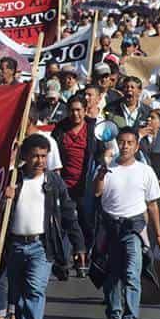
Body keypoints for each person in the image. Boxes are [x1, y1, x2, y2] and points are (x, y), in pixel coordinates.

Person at [4, 134, 85, 319]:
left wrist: (78, 244)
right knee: (18, 297)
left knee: (35, 290)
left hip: (41, 246)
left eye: (43, 156)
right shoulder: (14, 179)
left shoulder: (53, 182)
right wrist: (4, 198)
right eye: (35, 156)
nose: (40, 161)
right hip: (16, 245)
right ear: (25, 157)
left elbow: (68, 212)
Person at [94, 127, 160, 319]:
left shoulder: (145, 171)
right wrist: (100, 174)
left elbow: (152, 205)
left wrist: (159, 234)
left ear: (136, 146)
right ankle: (114, 315)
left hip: (133, 228)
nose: (125, 146)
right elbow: (97, 193)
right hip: (109, 228)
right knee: (111, 276)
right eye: (122, 142)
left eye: (129, 143)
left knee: (132, 274)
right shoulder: (108, 168)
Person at [51, 95, 98, 272]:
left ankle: (83, 258)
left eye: (79, 110)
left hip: (85, 184)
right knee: (64, 222)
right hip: (64, 184)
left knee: (86, 223)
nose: (75, 114)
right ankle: (63, 261)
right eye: (72, 110)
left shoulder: (93, 130)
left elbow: (102, 153)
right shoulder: (60, 130)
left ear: (85, 111)